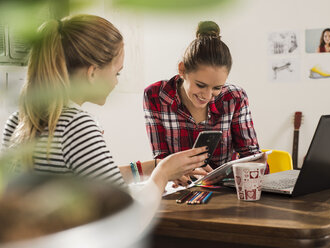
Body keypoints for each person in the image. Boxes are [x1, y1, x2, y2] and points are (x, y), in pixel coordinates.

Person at [0, 14, 209, 235]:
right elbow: (127, 222)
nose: (116, 80)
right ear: (92, 73)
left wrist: (152, 167)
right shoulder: (76, 125)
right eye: (116, 72)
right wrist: (163, 174)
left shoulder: (19, 120)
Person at [143, 21, 268, 187]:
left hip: (225, 191)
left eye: (217, 87)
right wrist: (173, 172)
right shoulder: (155, 96)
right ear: (182, 70)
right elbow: (161, 159)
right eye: (200, 85)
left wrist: (257, 164)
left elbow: (249, 154)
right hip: (180, 191)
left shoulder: (235, 97)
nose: (208, 96)